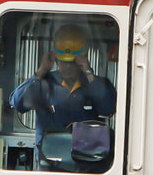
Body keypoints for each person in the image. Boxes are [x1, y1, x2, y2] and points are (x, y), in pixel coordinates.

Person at [10, 23, 117, 151]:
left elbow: (108, 108)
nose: (67, 67)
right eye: (63, 62)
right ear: (56, 60)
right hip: (50, 160)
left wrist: (89, 73)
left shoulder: (97, 84)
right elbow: (17, 103)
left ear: (82, 60)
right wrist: (41, 71)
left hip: (89, 161)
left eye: (72, 62)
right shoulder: (43, 83)